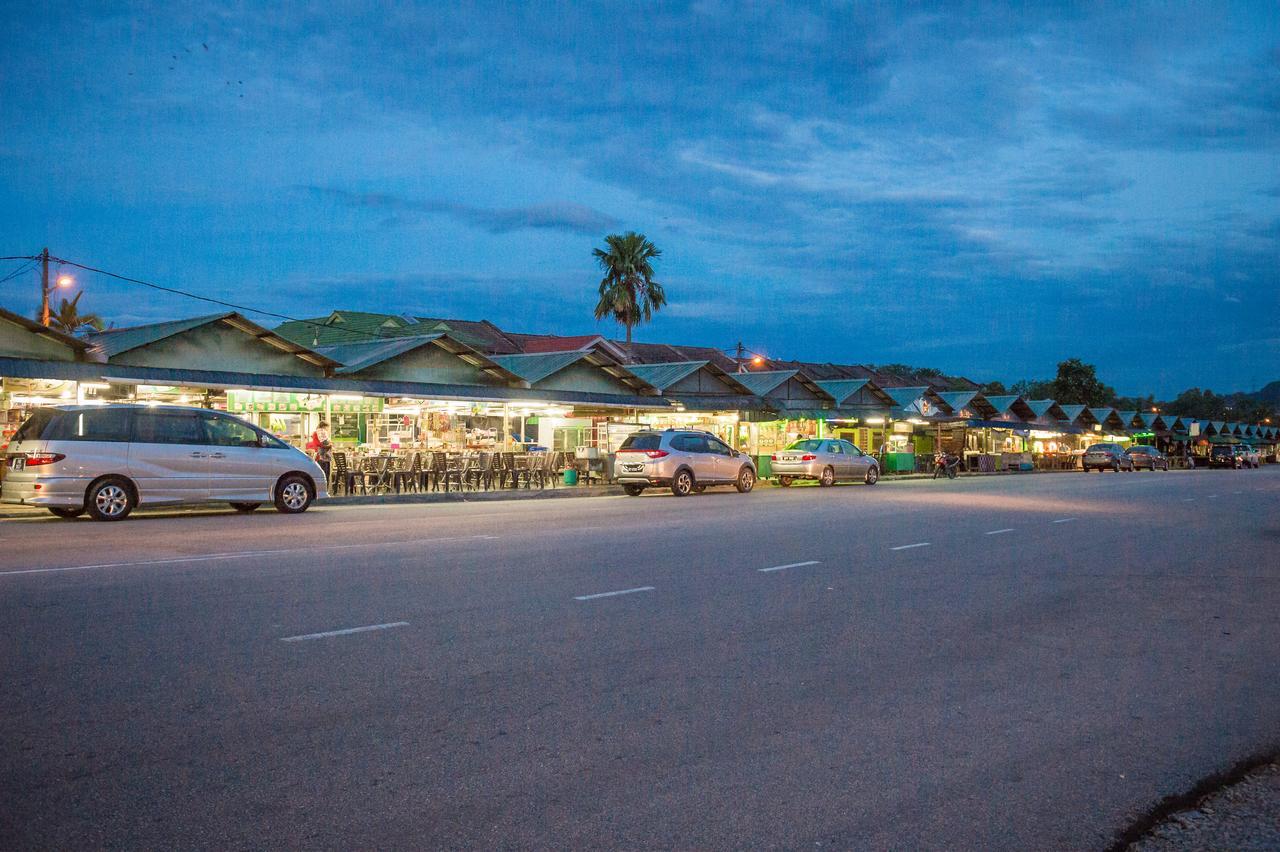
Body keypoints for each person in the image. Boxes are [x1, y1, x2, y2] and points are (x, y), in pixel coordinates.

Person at [311, 420, 332, 486]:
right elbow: (317, 444)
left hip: (326, 456)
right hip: (321, 456)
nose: (327, 429)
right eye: (326, 427)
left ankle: (326, 487)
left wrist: (329, 444)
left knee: (327, 472)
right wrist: (327, 446)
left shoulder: (322, 433)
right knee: (323, 472)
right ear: (323, 426)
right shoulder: (316, 433)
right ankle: (323, 487)